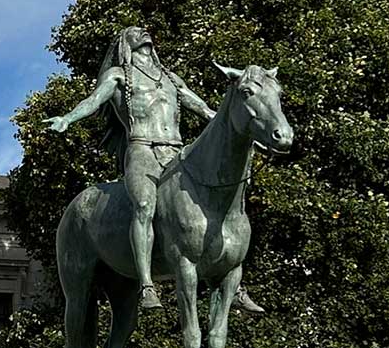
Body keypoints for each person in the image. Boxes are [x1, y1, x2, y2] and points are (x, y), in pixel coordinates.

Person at [45, 27, 258, 312]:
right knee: (145, 204)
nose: (142, 32)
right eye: (134, 32)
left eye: (143, 30)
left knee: (222, 200)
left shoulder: (170, 78)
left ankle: (234, 280)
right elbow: (94, 101)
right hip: (142, 150)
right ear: (124, 44)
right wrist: (68, 118)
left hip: (176, 151)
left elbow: (201, 106)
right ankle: (146, 284)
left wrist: (226, 119)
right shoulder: (119, 76)